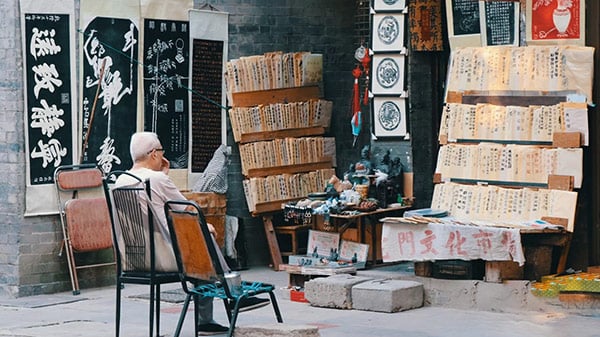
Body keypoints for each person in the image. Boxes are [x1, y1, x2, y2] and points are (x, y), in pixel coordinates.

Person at [115, 132, 268, 335]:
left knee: (202, 242)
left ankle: (216, 310)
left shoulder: (120, 181)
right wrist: (206, 228)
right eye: (160, 151)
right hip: (165, 258)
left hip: (135, 259)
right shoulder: (157, 179)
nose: (162, 155)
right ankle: (233, 294)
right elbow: (187, 209)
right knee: (205, 237)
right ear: (153, 154)